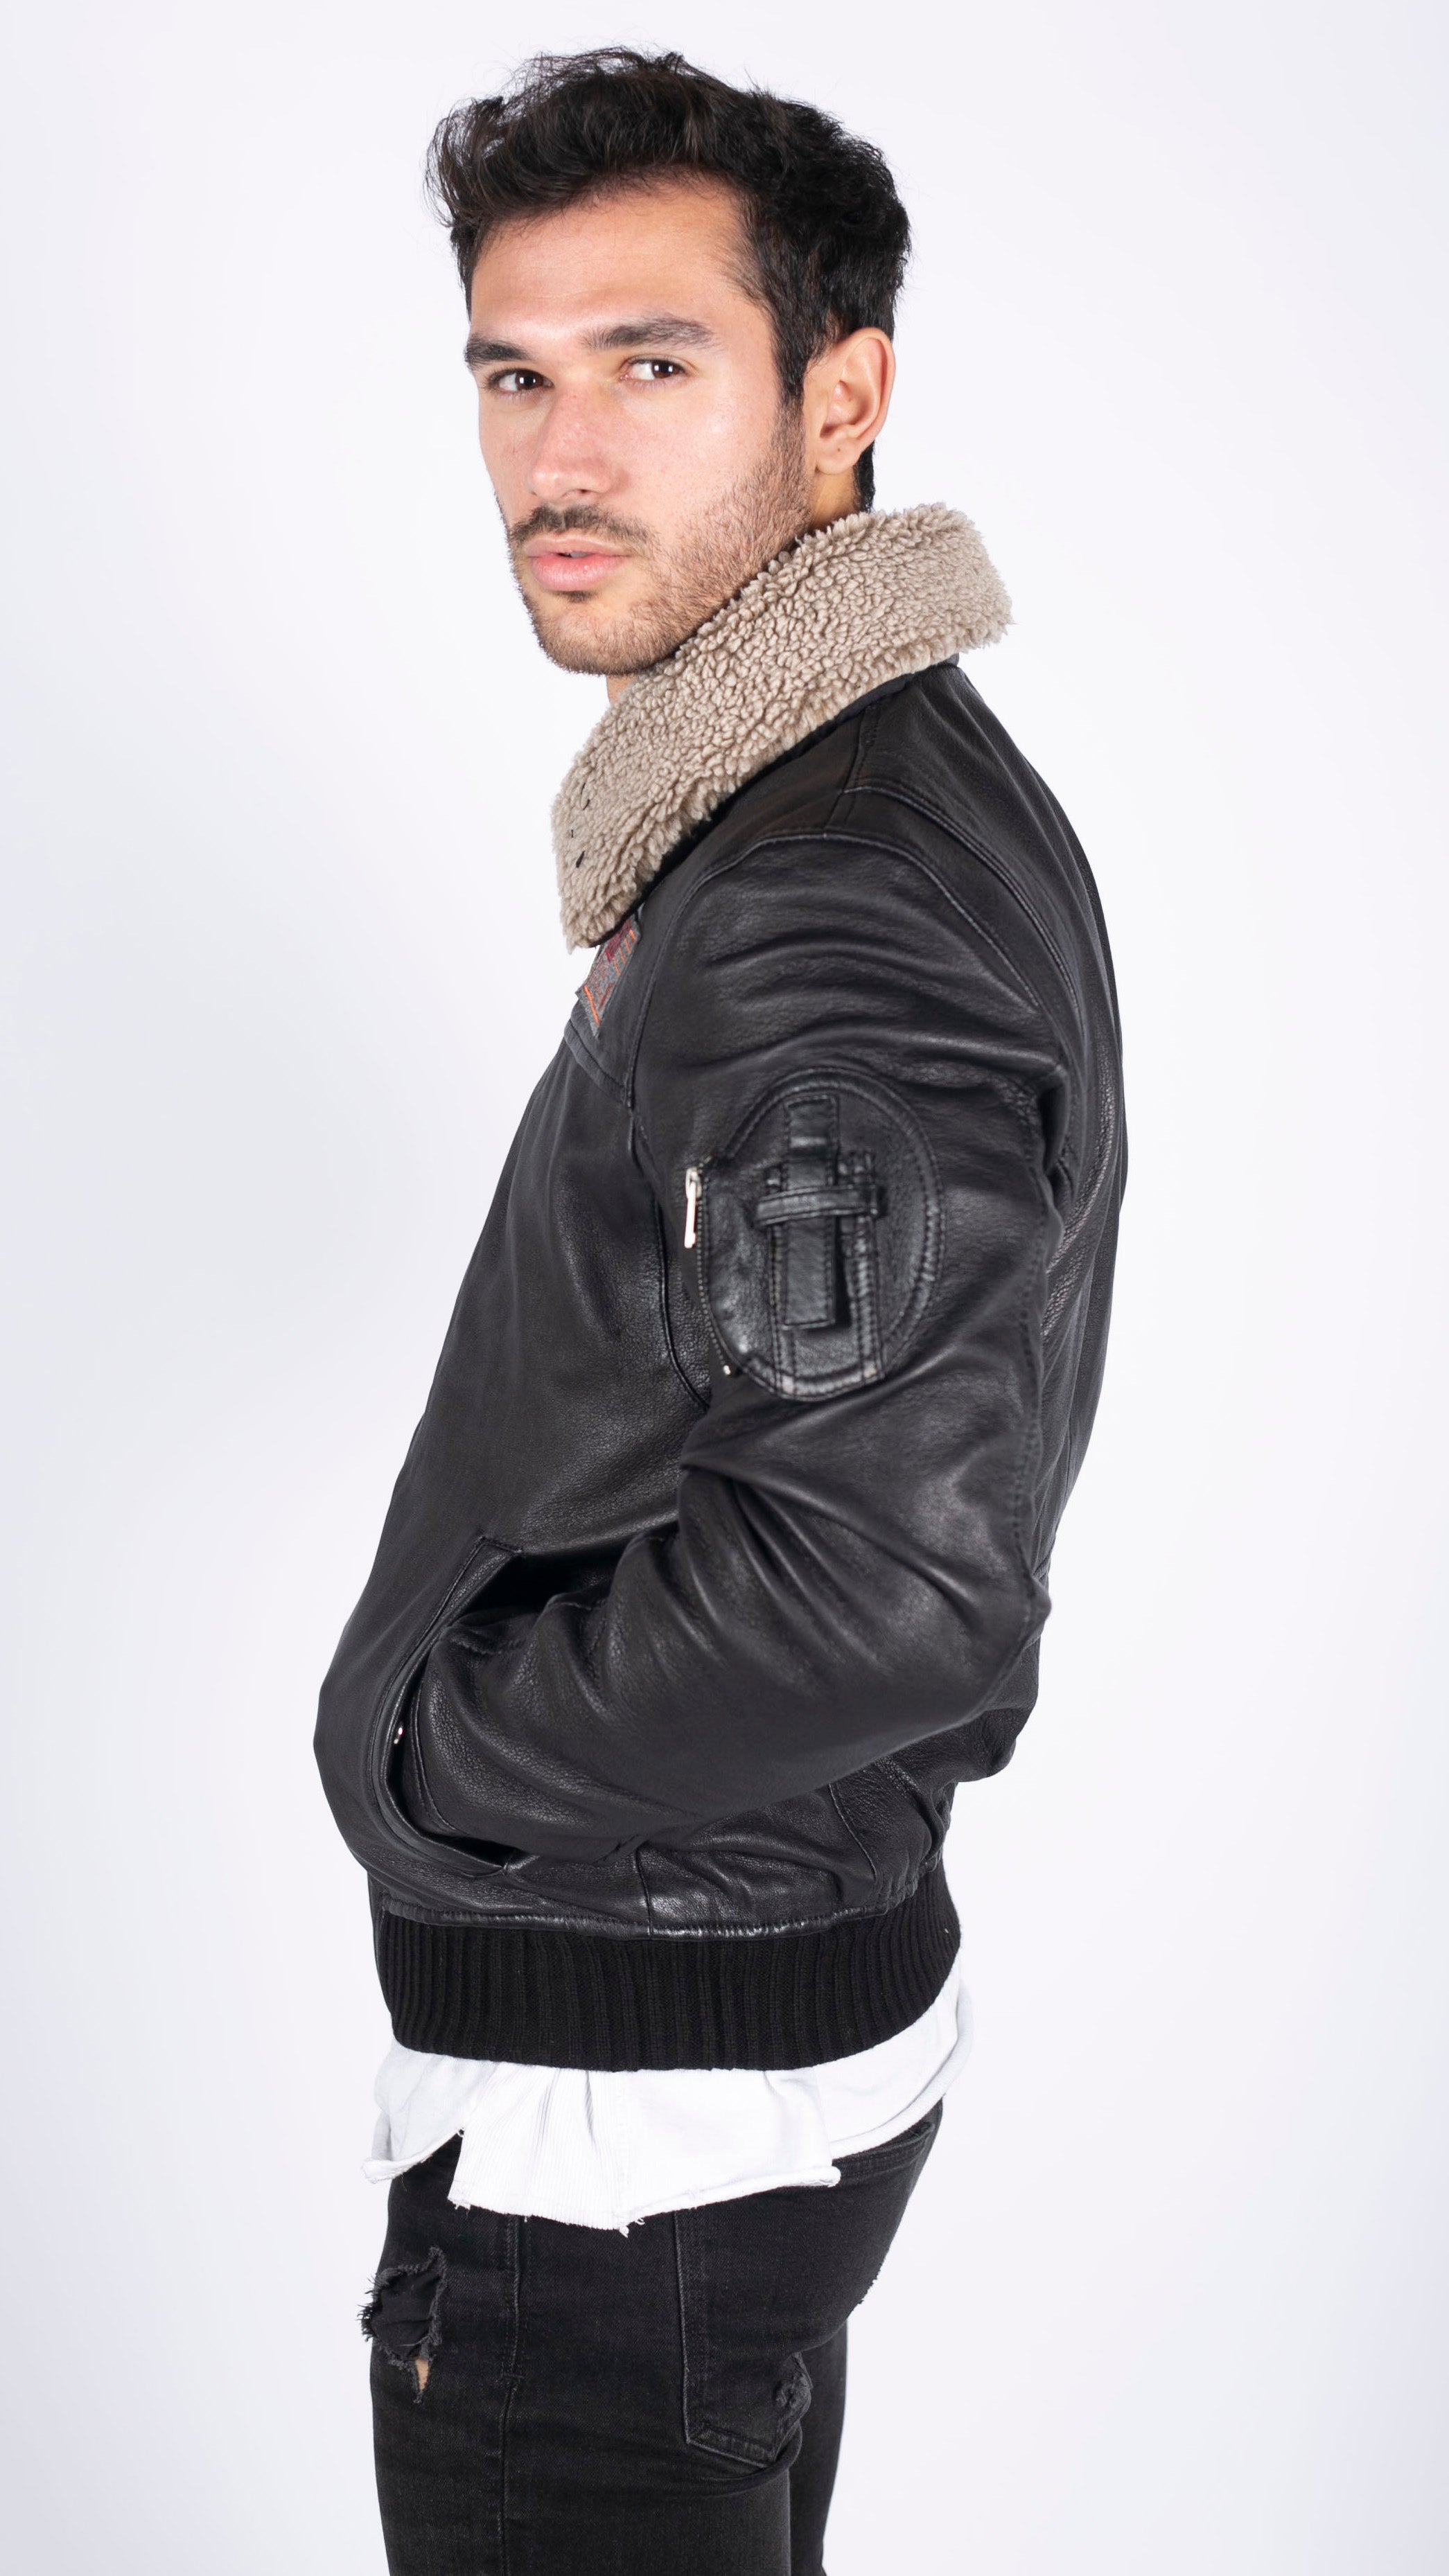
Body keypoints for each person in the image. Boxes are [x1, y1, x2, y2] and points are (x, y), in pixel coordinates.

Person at [315, 46, 1125, 2575]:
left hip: (621, 2137)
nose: (558, 457)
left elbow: (883, 1590)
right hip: (726, 2059)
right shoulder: (833, 788)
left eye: (651, 365)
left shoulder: (820, 896)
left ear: (839, 396)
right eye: (511, 375)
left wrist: (423, 1754)